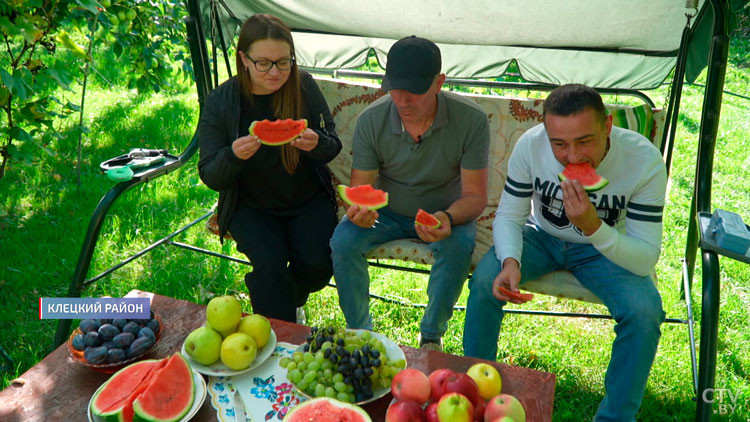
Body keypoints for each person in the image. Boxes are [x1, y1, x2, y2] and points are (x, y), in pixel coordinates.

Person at [463, 84, 667, 421]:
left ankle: (615, 417)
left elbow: (646, 257)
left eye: (584, 141)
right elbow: (510, 215)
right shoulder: (531, 144)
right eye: (559, 144)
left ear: (608, 125)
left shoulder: (643, 161)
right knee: (487, 281)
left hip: (606, 250)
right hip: (540, 236)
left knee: (645, 312)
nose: (572, 156)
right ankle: (477, 393)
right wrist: (511, 260)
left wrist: (593, 227)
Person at [330, 36, 490, 351]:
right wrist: (359, 212)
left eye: (414, 90)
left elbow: (475, 196)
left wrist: (446, 217)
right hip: (386, 213)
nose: (403, 100)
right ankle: (360, 333)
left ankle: (431, 335)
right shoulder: (371, 120)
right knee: (343, 242)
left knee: (459, 247)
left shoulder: (471, 120)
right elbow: (362, 188)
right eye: (395, 88)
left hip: (446, 212)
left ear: (439, 82)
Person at [198, 14, 342, 323]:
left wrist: (317, 143)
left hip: (306, 200)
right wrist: (233, 155)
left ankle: (290, 297)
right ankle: (278, 342)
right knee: (269, 267)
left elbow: (333, 144)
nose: (275, 72)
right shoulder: (221, 100)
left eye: (283, 61)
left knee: (318, 266)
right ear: (243, 59)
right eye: (263, 63)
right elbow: (210, 173)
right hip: (250, 206)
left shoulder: (302, 84)